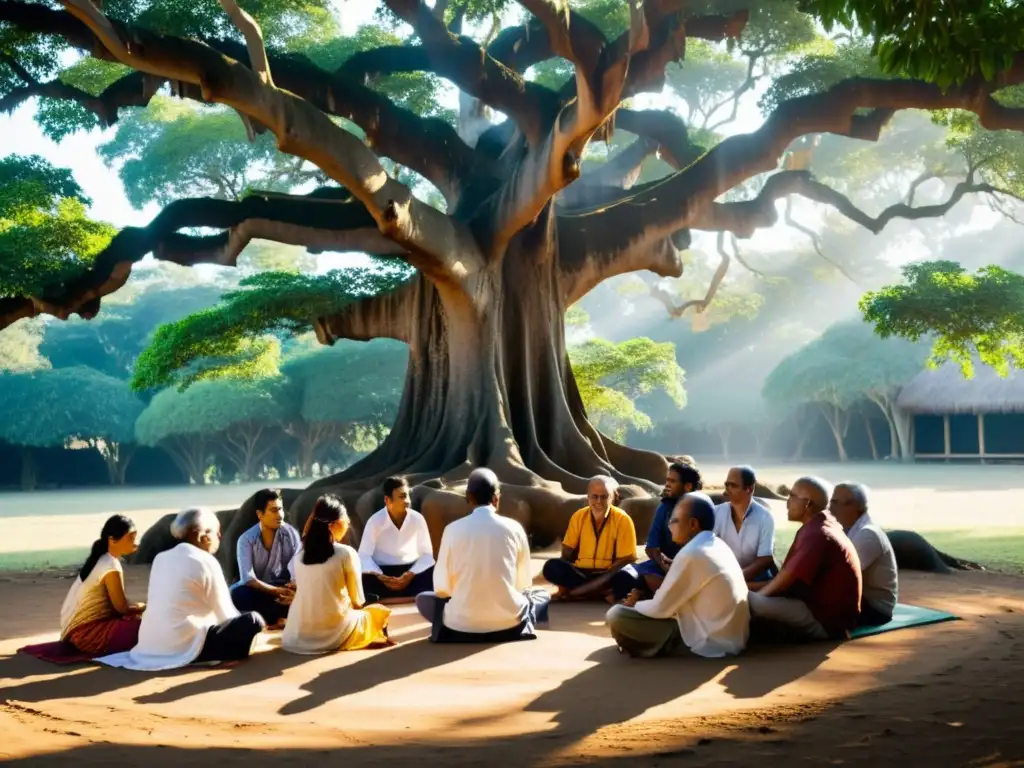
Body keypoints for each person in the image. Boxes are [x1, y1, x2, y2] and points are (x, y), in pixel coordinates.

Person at [99, 508, 265, 670]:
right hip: (184, 646)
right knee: (253, 620)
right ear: (202, 536)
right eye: (216, 532)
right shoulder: (206, 560)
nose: (219, 537)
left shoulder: (160, 558)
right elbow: (225, 614)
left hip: (149, 645)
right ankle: (220, 656)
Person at [606, 493, 749, 658]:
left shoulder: (692, 553)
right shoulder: (717, 544)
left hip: (709, 642)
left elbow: (660, 608)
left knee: (616, 615)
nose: (669, 526)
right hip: (732, 638)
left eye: (674, 520)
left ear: (693, 524)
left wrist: (635, 605)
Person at [415, 468, 550, 642]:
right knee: (541, 594)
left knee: (423, 599)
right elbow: (523, 583)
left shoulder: (452, 530)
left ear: (468, 497)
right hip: (508, 624)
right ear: (496, 497)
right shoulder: (514, 528)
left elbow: (442, 588)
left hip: (460, 626)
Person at [748, 477, 862, 641]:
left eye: (792, 496)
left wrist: (744, 593)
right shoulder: (821, 524)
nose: (787, 503)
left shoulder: (817, 534)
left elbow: (777, 586)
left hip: (825, 623)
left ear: (808, 504)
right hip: (817, 611)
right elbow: (783, 582)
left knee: (749, 601)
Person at [283, 495, 392, 654]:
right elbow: (357, 601)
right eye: (345, 517)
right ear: (334, 524)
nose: (348, 522)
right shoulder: (345, 553)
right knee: (379, 612)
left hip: (296, 636)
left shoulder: (299, 556)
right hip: (335, 634)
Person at [610, 463, 703, 601]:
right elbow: (651, 548)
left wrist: (675, 568)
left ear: (688, 486)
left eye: (673, 481)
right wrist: (663, 564)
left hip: (690, 567)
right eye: (667, 480)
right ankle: (646, 592)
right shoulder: (664, 507)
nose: (667, 485)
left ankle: (645, 594)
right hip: (661, 566)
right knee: (625, 575)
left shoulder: (702, 510)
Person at [542, 475, 638, 602]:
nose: (599, 501)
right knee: (552, 567)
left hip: (609, 575)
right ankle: (601, 594)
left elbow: (625, 560)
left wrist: (583, 589)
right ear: (588, 497)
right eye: (595, 496)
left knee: (630, 576)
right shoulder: (579, 516)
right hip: (581, 574)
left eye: (604, 497)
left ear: (612, 498)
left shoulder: (623, 519)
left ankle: (581, 593)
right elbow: (566, 553)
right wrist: (562, 586)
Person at [59, 515, 145, 656]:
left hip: (74, 634)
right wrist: (145, 606)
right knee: (148, 625)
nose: (135, 542)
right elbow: (122, 608)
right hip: (88, 636)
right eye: (130, 538)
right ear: (112, 540)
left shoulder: (100, 558)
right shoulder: (110, 565)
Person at [230, 488, 301, 628]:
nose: (280, 515)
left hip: (284, 592)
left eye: (281, 509)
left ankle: (278, 617)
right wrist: (277, 591)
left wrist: (293, 591)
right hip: (259, 591)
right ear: (260, 514)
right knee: (240, 594)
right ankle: (280, 617)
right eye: (274, 510)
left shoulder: (291, 534)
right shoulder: (246, 540)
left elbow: (297, 569)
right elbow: (248, 579)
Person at [358, 476, 435, 603]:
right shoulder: (375, 521)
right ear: (387, 500)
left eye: (408, 496)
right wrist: (380, 576)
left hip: (410, 572)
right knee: (364, 577)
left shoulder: (417, 519)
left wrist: (410, 574)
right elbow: (364, 556)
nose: (408, 501)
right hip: (382, 573)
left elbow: (427, 555)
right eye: (402, 496)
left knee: (431, 570)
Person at [830, 482, 898, 626]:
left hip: (875, 609)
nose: (831, 509)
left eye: (838, 503)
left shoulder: (867, 534)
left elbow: (842, 577)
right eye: (832, 502)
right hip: (859, 600)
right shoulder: (845, 528)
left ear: (858, 506)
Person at [713, 466, 776, 583]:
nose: (727, 490)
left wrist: (737, 579)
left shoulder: (765, 517)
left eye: (733, 486)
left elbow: (765, 559)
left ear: (749, 489)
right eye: (727, 485)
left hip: (755, 581)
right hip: (723, 578)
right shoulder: (716, 512)